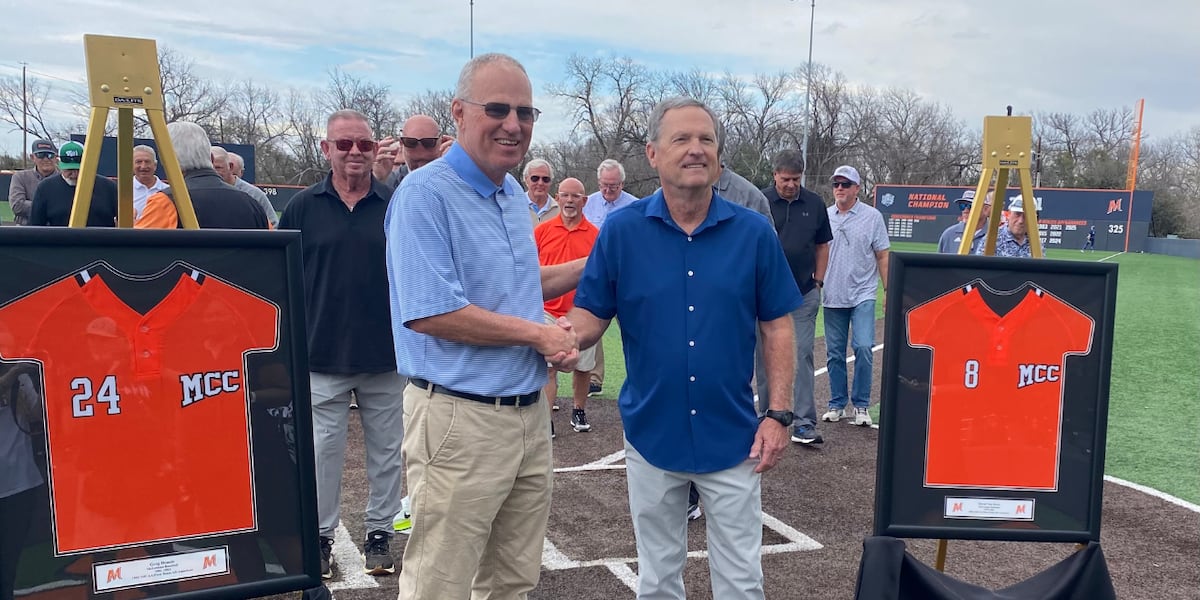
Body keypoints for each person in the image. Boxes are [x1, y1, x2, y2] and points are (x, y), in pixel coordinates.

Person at [567, 96, 802, 600]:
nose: (696, 150)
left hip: (733, 437)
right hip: (651, 434)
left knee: (741, 581)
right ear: (652, 154)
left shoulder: (754, 232)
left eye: (706, 140)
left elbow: (778, 327)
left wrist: (779, 414)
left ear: (718, 155)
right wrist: (556, 337)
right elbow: (590, 314)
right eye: (681, 139)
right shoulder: (622, 232)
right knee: (656, 580)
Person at [387, 52, 584, 600]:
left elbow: (519, 287)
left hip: (525, 414)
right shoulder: (424, 195)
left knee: (511, 580)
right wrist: (539, 335)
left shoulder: (513, 192)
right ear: (458, 112)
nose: (513, 124)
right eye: (497, 108)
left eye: (525, 112)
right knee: (439, 584)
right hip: (459, 417)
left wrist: (598, 264)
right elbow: (431, 312)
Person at [277, 109, 405, 580]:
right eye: (345, 144)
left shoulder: (396, 204)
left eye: (364, 145)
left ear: (375, 150)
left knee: (387, 453)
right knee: (322, 455)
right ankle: (322, 537)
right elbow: (282, 279)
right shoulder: (302, 208)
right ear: (326, 149)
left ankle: (379, 534)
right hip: (321, 353)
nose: (355, 152)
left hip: (386, 354)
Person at [760, 148, 832, 445]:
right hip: (764, 294)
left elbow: (823, 245)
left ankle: (804, 423)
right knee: (763, 357)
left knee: (801, 354)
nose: (791, 184)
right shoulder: (759, 200)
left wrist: (818, 281)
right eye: (785, 179)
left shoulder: (814, 203)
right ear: (775, 174)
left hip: (803, 292)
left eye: (796, 179)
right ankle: (765, 416)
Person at [821, 165, 889, 427]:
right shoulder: (825, 216)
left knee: (863, 346)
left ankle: (861, 405)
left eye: (845, 184)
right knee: (834, 353)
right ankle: (837, 403)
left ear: (857, 188)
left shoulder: (872, 217)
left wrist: (888, 289)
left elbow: (882, 254)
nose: (839, 189)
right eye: (836, 184)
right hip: (832, 294)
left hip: (863, 292)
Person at [535, 177, 599, 431]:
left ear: (584, 201)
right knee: (549, 366)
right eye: (565, 195)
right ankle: (546, 419)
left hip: (581, 312)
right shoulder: (542, 231)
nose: (570, 201)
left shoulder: (596, 235)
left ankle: (579, 410)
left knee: (582, 367)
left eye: (575, 196)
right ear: (557, 198)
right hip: (547, 310)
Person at [135, 123, 269, 230]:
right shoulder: (251, 203)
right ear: (211, 158)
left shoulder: (164, 202)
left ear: (166, 161)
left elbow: (135, 255)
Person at [580, 158, 638, 397]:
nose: (608, 190)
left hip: (628, 273)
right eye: (604, 185)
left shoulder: (636, 206)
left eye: (613, 186)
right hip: (596, 271)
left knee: (632, 326)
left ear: (622, 184)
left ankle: (636, 376)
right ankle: (594, 377)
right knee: (594, 324)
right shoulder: (588, 204)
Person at [28, 141, 118, 227]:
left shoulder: (109, 187)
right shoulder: (46, 188)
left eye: (79, 170)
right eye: (69, 170)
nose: (74, 174)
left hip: (101, 241)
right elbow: (35, 225)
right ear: (59, 163)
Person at [377, 114, 456, 190]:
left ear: (442, 142)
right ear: (401, 143)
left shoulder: (454, 176)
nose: (421, 169)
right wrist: (376, 182)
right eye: (415, 163)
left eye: (428, 143)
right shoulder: (391, 183)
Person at [8, 139, 59, 225]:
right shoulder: (20, 177)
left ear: (56, 157)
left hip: (56, 231)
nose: (46, 159)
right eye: (41, 155)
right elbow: (17, 205)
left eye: (50, 155)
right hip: (26, 230)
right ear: (32, 157)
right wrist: (51, 207)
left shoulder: (64, 178)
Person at [978, 194, 1042, 258]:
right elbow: (980, 266)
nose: (1021, 221)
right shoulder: (992, 239)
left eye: (1026, 216)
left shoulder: (1036, 243)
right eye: (1017, 214)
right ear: (1009, 214)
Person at [228, 152, 280, 228]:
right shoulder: (211, 192)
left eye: (234, 174)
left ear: (241, 172)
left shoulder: (255, 194)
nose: (230, 175)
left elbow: (274, 225)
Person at [132, 144, 169, 219]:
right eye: (138, 162)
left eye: (147, 162)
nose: (143, 166)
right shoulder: (122, 192)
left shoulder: (168, 191)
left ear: (155, 165)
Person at [523, 158, 559, 222]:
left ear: (550, 182)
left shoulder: (560, 210)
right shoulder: (514, 206)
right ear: (526, 180)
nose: (540, 183)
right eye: (535, 178)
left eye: (545, 179)